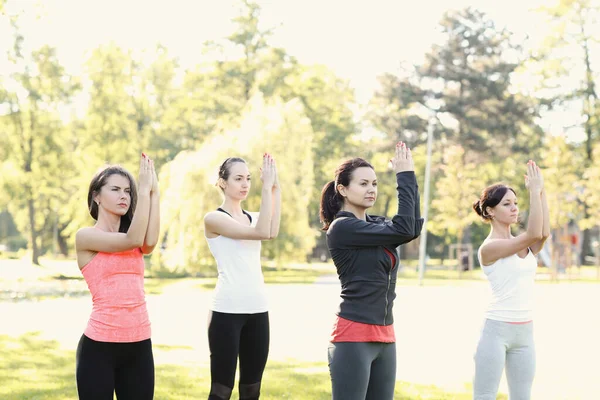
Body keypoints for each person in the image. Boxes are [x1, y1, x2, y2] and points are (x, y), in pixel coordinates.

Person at [320, 142, 423, 400]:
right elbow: (403, 229)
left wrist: (410, 177)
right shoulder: (343, 228)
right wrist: (404, 178)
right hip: (354, 335)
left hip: (386, 335)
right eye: (363, 183)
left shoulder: (376, 225)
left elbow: (412, 227)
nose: (371, 189)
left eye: (375, 184)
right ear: (342, 189)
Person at [75, 153, 160, 400]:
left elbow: (149, 241)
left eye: (128, 191)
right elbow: (131, 239)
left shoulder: (135, 236)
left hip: (140, 345)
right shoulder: (86, 237)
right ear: (96, 196)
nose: (124, 195)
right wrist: (143, 191)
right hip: (99, 348)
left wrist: (153, 191)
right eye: (115, 189)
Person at [203, 153, 281, 400]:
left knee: (252, 389)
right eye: (238, 178)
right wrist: (267, 187)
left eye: (248, 178)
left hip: (258, 310)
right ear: (223, 182)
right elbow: (260, 232)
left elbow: (271, 231)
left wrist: (275, 186)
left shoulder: (255, 217)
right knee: (221, 390)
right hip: (227, 312)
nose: (246, 184)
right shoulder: (214, 218)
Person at [472, 160, 550, 400]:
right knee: (485, 395)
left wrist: (541, 191)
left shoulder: (525, 245)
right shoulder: (490, 248)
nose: (515, 208)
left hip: (525, 333)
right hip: (496, 332)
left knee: (522, 396)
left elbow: (543, 233)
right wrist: (533, 192)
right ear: (490, 211)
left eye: (516, 203)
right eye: (507, 204)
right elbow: (534, 233)